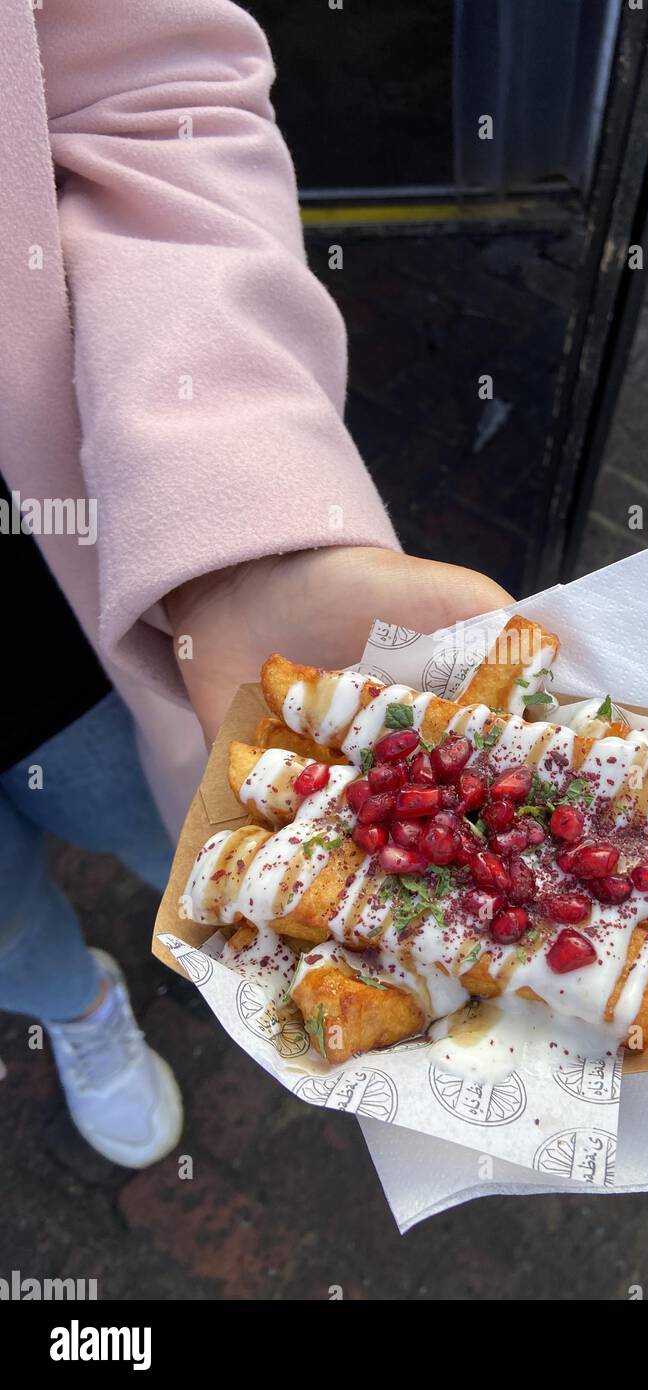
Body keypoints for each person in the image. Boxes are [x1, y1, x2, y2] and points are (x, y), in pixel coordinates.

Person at [0, 0, 511, 1167]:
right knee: (4, 932)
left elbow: (143, 95)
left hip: (84, 624)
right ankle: (75, 1008)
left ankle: (199, 950)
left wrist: (238, 531)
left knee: (190, 848)